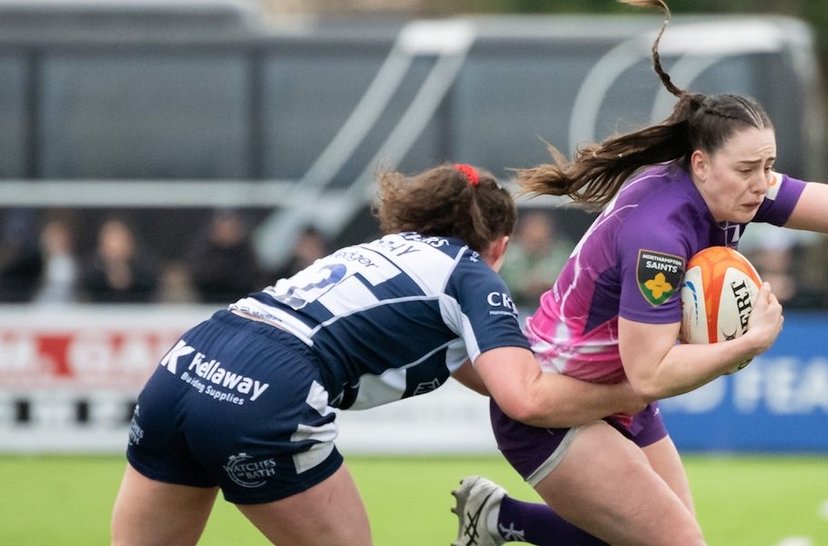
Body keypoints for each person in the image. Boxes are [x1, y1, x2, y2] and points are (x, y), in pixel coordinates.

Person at [450, 2, 828, 544]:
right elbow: (650, 373)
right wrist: (745, 345)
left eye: (770, 167)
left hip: (613, 396)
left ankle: (499, 520)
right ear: (701, 164)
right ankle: (500, 519)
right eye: (748, 170)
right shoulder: (658, 234)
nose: (763, 183)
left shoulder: (732, 191)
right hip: (557, 404)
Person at [110, 164, 648, 546]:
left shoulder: (373, 252)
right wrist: (642, 385)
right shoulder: (471, 273)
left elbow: (486, 372)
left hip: (187, 363)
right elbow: (526, 397)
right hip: (267, 388)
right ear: (500, 246)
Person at [81, 216, 160, 303]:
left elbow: (151, 283)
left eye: (119, 239)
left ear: (131, 244)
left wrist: (128, 276)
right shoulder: (91, 274)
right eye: (109, 239)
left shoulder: (145, 274)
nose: (114, 246)